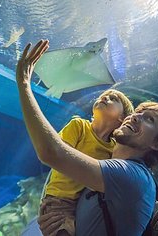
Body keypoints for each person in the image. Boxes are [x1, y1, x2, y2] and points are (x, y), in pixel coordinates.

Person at [16, 40, 158, 236]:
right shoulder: (105, 164)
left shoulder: (130, 174)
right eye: (137, 112)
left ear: (157, 144)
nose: (135, 116)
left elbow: (52, 152)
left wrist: (24, 83)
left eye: (149, 119)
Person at [39, 88, 134, 236]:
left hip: (84, 204)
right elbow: (60, 156)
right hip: (60, 200)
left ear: (121, 118)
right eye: (103, 95)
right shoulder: (79, 126)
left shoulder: (114, 148)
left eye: (113, 98)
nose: (105, 98)